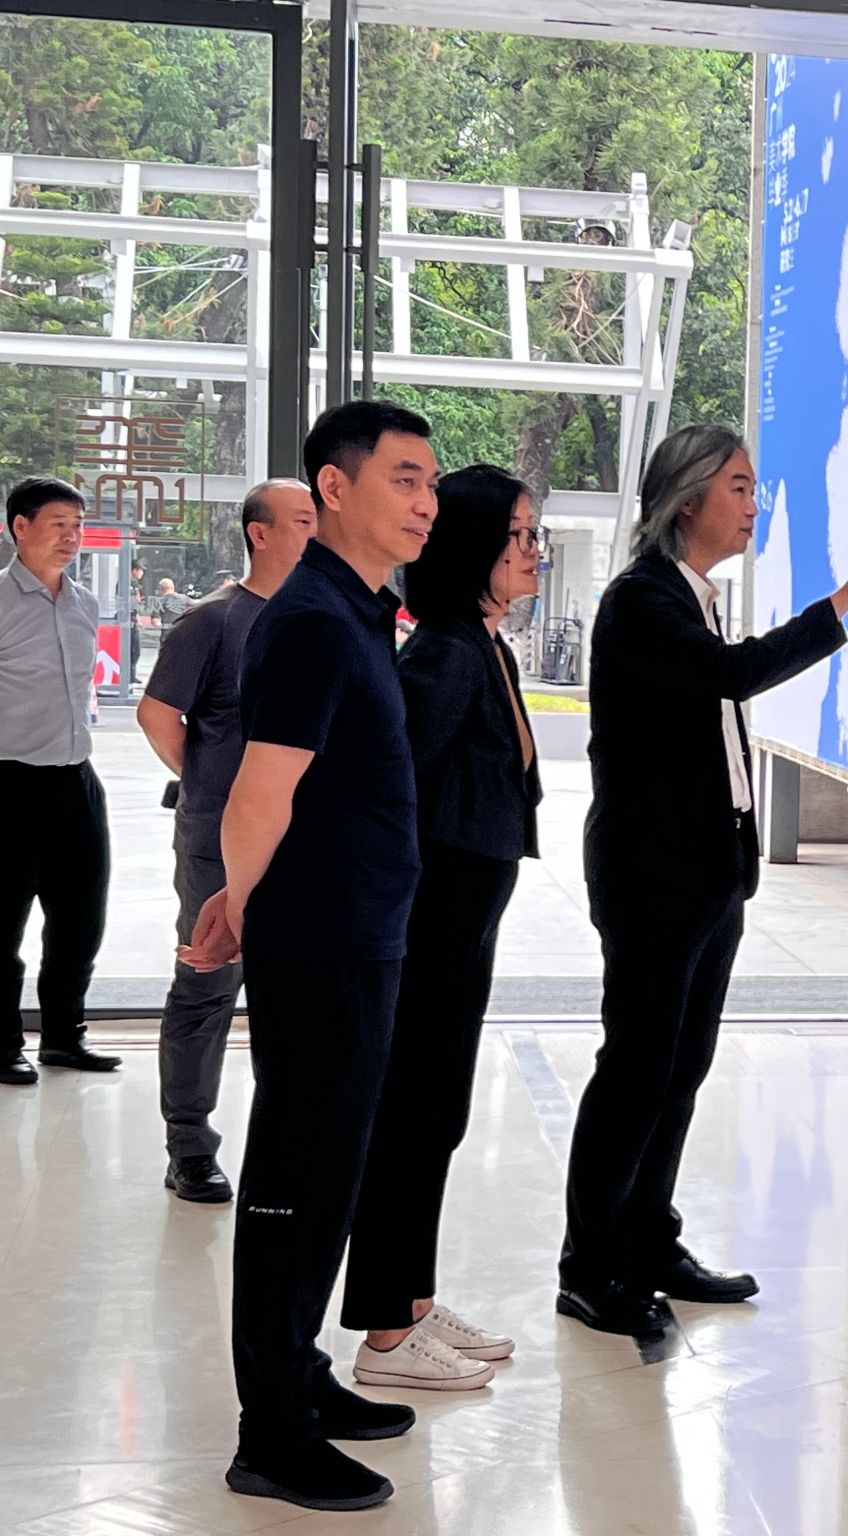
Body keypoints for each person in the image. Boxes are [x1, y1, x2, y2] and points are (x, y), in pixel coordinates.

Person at [558, 424, 848, 1335]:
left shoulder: (692, 595)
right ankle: (590, 1266)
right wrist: (844, 602)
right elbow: (732, 677)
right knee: (637, 1070)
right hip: (653, 876)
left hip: (707, 872)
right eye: (741, 488)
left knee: (679, 1069)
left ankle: (648, 1238)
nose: (754, 505)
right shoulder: (642, 599)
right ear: (688, 499)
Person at [181, 401, 439, 1512]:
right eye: (403, 479)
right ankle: (271, 1433)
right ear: (334, 487)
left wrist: (245, 897)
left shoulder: (357, 609)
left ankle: (299, 1373)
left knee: (329, 1173)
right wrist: (243, 904)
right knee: (298, 1178)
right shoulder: (316, 622)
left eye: (431, 484)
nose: (425, 503)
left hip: (355, 931)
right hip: (321, 942)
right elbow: (260, 789)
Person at [339, 464, 544, 1389]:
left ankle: (412, 1300)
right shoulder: (450, 654)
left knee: (439, 1113)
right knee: (415, 1115)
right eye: (517, 537)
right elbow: (392, 788)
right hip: (432, 918)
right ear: (473, 548)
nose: (531, 553)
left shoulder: (482, 642)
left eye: (533, 536)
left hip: (463, 918)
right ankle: (387, 1331)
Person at [139, 478, 318, 1200]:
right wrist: (208, 776)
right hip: (218, 838)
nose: (316, 532)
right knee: (208, 983)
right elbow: (158, 713)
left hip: (306, 839)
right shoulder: (212, 621)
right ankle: (188, 1143)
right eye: (302, 521)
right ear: (260, 534)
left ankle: (295, 1141)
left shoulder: (322, 618)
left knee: (297, 991)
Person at [2, 476, 121, 1087]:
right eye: (58, 525)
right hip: (8, 784)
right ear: (19, 527)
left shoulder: (84, 604)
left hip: (75, 780)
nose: (72, 537)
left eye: (77, 526)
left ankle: (63, 1037)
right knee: (3, 923)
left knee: (81, 917)